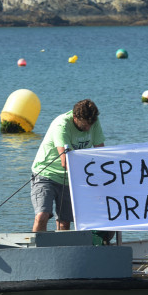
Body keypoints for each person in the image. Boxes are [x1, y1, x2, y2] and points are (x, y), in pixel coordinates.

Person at [31, 99, 105, 231]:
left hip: (71, 179)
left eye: (90, 124)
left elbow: (101, 152)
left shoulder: (93, 121)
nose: (88, 128)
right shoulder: (61, 125)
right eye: (85, 125)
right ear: (75, 117)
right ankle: (37, 250)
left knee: (64, 223)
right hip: (46, 174)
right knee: (42, 216)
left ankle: (60, 250)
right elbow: (66, 162)